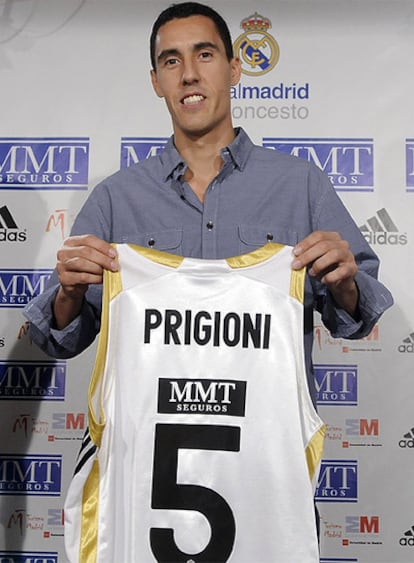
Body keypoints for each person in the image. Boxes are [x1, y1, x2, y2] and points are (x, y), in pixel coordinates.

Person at [24, 2, 392, 560]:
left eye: (204, 54)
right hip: (142, 490)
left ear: (234, 67)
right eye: (171, 61)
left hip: (265, 481)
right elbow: (60, 337)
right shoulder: (116, 198)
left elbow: (360, 312)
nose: (189, 74)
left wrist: (344, 282)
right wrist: (69, 293)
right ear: (156, 81)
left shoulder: (300, 185)